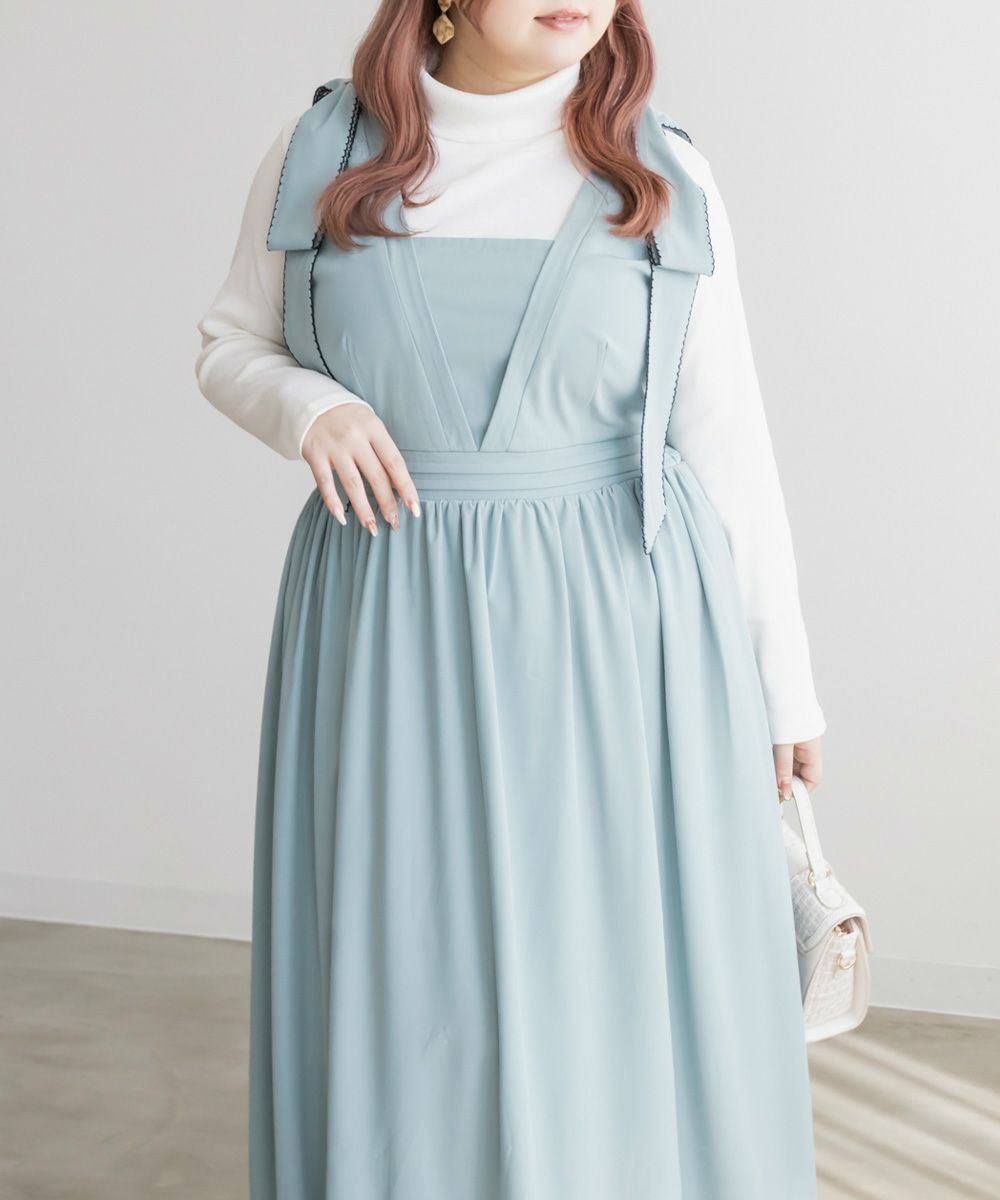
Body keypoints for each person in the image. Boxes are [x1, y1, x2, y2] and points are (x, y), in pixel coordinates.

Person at [194, 1, 826, 1196]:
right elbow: (232, 342)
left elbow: (726, 440)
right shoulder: (316, 154)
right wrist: (309, 408)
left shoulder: (662, 172)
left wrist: (782, 684)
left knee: (609, 966)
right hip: (390, 617)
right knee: (410, 966)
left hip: (623, 635)